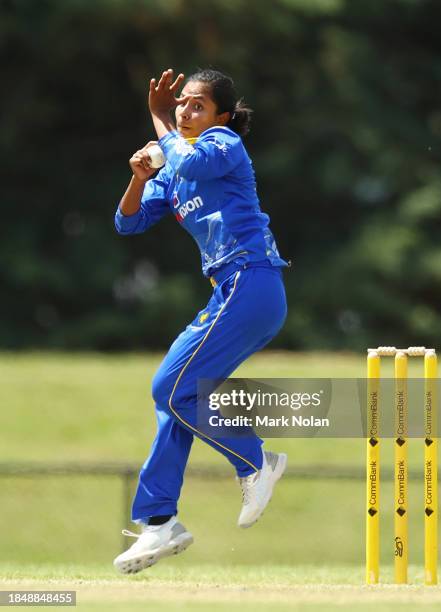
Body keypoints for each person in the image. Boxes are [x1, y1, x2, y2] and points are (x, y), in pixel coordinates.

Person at [113, 68, 289, 575]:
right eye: (182, 105)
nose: (188, 112)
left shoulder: (222, 143)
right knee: (176, 401)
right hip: (229, 293)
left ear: (222, 116)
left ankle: (256, 460)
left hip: (251, 282)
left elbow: (189, 154)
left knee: (169, 386)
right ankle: (159, 521)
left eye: (197, 106)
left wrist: (162, 121)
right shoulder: (172, 164)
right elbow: (127, 222)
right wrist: (140, 176)